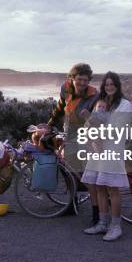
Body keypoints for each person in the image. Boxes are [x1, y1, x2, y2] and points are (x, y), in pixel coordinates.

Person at [81, 71, 132, 241]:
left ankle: (116, 227)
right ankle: (102, 224)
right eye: (107, 84)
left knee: (113, 189)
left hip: (112, 151)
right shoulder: (102, 102)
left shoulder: (124, 105)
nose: (109, 87)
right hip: (98, 150)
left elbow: (118, 128)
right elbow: (91, 122)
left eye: (112, 84)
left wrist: (96, 127)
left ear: (117, 86)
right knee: (99, 187)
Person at [47, 63, 99, 218]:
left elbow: (98, 117)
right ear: (72, 78)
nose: (82, 83)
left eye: (85, 80)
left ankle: (97, 209)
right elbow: (59, 108)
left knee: (87, 173)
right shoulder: (66, 89)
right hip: (69, 133)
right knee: (68, 169)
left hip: (85, 136)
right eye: (79, 79)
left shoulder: (94, 95)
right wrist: (49, 125)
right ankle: (72, 203)